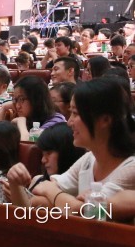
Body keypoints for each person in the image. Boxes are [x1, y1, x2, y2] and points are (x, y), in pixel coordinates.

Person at [31, 78, 135, 211]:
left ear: (105, 120)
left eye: (75, 113)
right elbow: (38, 196)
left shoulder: (130, 168)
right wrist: (69, 201)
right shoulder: (89, 158)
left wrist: (53, 193)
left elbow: (89, 211)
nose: (69, 122)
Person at [4, 123, 85, 207]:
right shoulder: (37, 179)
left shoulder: (78, 190)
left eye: (49, 153)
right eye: (43, 154)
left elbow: (30, 204)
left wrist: (17, 192)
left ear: (67, 153)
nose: (43, 160)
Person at [5, 76, 66, 141]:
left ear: (36, 99)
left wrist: (21, 122)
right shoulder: (28, 118)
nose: (17, 106)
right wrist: (3, 109)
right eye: (16, 100)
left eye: (21, 99)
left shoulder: (56, 121)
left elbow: (28, 144)